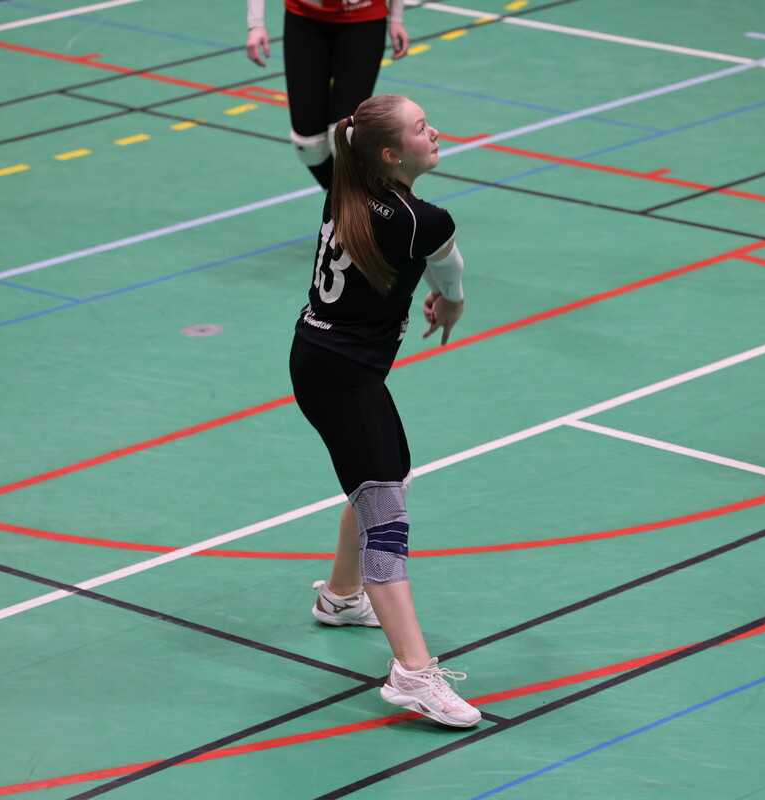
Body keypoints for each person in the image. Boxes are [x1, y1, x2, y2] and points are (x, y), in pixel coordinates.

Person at [289, 94, 480, 727]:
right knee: (387, 517)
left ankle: (343, 598)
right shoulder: (423, 221)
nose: (436, 132)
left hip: (318, 358)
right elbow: (451, 274)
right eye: (422, 128)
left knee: (387, 477)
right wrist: (451, 304)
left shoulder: (348, 186)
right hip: (342, 377)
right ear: (393, 154)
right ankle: (413, 674)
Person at [245, 0, 410, 188]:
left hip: (363, 19)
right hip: (304, 17)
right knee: (307, 144)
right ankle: (343, 199)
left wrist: (396, 18)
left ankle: (357, 202)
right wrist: (256, 24)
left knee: (343, 133)